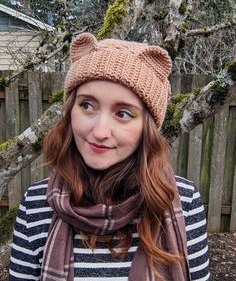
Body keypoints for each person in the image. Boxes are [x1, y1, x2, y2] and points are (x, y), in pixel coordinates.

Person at [9, 33, 210, 281]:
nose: (100, 132)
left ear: (147, 129)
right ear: (71, 111)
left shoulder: (182, 200)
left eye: (123, 113)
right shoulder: (38, 204)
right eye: (87, 106)